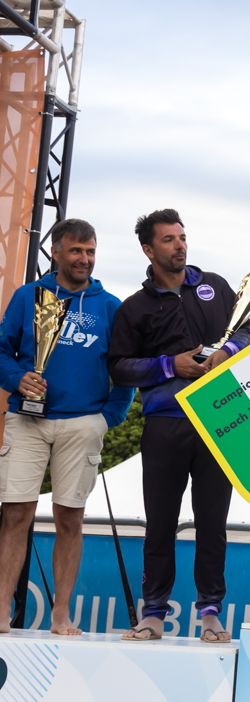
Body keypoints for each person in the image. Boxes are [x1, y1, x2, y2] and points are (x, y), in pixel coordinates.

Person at [108, 209, 250, 643]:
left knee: (213, 523)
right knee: (160, 523)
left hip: (219, 421)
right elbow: (119, 368)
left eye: (183, 237)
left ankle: (210, 610)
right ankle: (154, 611)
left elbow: (247, 332)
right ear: (148, 249)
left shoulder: (216, 286)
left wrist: (228, 351)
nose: (180, 245)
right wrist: (171, 364)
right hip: (165, 426)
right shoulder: (134, 307)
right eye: (169, 240)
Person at [0, 219, 133, 634]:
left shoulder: (110, 305)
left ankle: (61, 614)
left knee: (70, 519)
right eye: (76, 251)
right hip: (27, 419)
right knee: (15, 514)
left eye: (91, 251)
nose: (85, 259)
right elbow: (2, 351)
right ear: (56, 252)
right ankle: (2, 609)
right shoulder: (29, 296)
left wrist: (105, 419)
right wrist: (16, 378)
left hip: (82, 424)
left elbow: (123, 371)